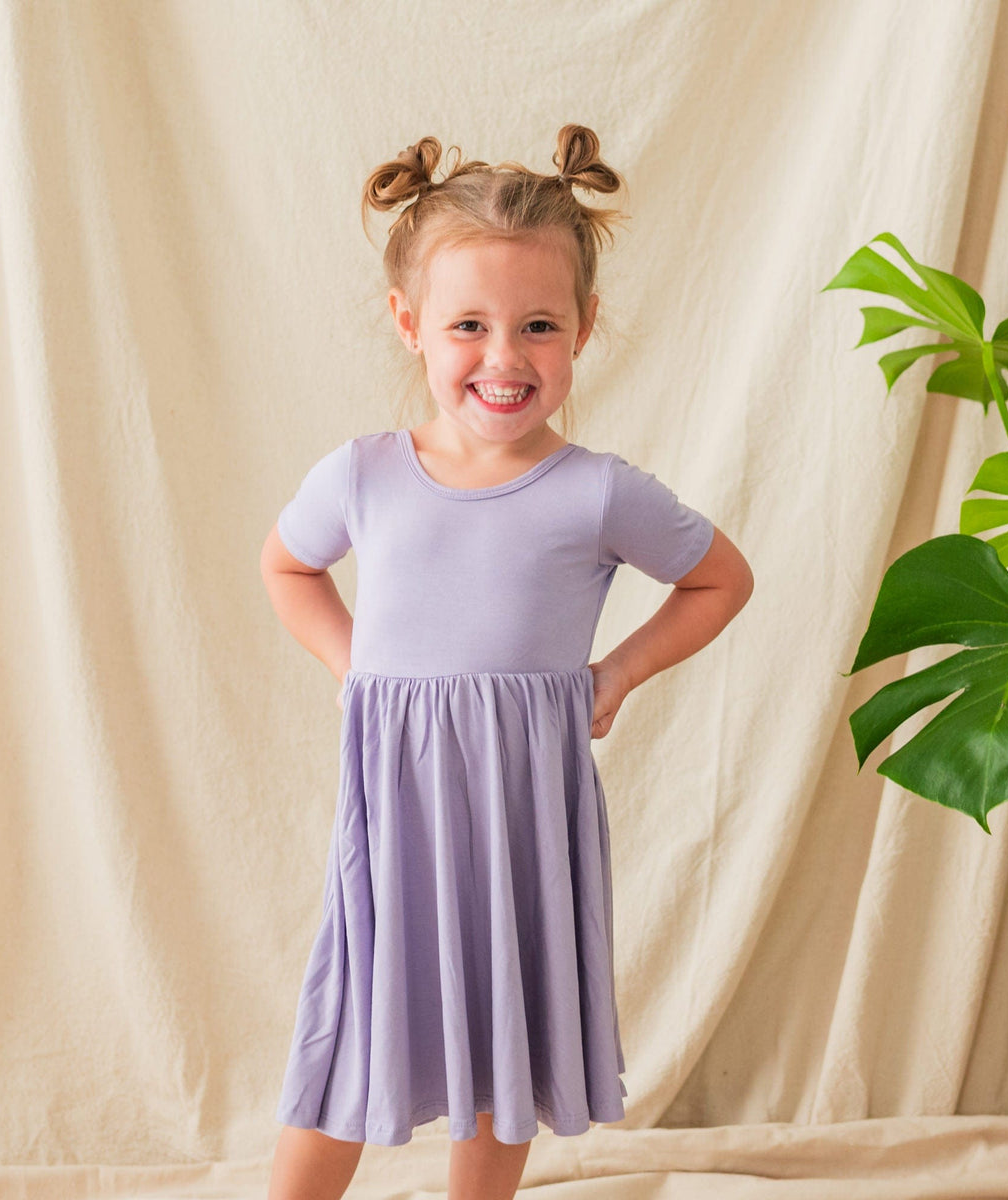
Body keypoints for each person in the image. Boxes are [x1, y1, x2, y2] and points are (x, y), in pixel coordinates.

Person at [261, 124, 754, 1200]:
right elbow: (287, 566)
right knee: (352, 1032)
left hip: (526, 818)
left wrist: (616, 675)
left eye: (539, 326)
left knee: (505, 1037)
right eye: (469, 326)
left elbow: (722, 580)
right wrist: (353, 666)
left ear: (585, 326)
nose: (505, 358)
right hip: (397, 819)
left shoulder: (599, 492)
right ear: (410, 324)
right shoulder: (362, 476)